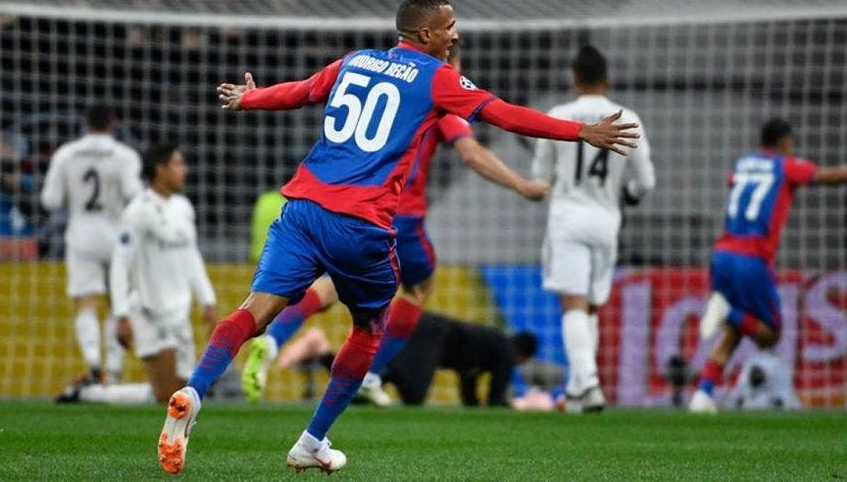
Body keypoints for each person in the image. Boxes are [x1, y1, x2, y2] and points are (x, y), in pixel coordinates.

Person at [158, 0, 639, 474]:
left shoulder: (356, 60)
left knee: (253, 310)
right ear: (425, 34)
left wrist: (250, 98)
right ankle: (311, 440)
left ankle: (194, 389)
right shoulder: (436, 79)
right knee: (369, 328)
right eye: (449, 26)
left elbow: (303, 91)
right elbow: (502, 112)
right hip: (361, 224)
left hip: (303, 208)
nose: (456, 34)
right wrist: (580, 132)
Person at [240, 41, 550, 406]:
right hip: (397, 215)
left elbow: (310, 94)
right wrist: (522, 185)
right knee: (420, 286)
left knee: (331, 287)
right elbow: (471, 153)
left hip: (345, 205)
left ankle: (273, 340)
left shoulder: (380, 77)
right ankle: (371, 373)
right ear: (448, 60)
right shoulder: (439, 92)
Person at [690, 117, 847, 413]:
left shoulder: (742, 165)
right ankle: (726, 309)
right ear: (784, 143)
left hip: (723, 253)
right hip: (752, 257)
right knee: (771, 332)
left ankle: (703, 395)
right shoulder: (785, 165)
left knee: (736, 331)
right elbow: (830, 176)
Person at [531, 44, 655, 413]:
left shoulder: (558, 115)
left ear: (574, 79)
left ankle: (588, 383)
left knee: (572, 302)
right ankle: (575, 392)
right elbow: (645, 181)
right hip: (606, 220)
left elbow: (540, 178)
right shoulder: (627, 116)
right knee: (592, 306)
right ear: (607, 78)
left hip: (568, 216)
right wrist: (628, 194)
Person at [57, 144, 217, 404]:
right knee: (168, 397)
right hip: (148, 311)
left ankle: (89, 392)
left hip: (180, 312)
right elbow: (120, 264)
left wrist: (207, 299)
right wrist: (121, 314)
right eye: (178, 164)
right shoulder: (137, 211)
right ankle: (88, 393)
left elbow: (191, 256)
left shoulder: (183, 207)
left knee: (180, 395)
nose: (183, 170)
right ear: (160, 169)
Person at [40, 104, 142, 385]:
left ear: (86, 124)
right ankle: (115, 368)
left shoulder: (65, 154)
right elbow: (135, 194)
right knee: (118, 302)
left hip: (81, 235)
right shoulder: (124, 155)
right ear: (113, 124)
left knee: (85, 302)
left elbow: (50, 200)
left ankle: (94, 363)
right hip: (116, 236)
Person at [274, 313, 539, 407]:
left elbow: (469, 385)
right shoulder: (504, 350)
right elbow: (494, 400)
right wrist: (513, 406)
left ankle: (321, 350)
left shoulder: (491, 346)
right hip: (431, 334)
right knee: (413, 394)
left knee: (368, 385)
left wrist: (472, 406)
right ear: (523, 356)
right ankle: (320, 348)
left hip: (428, 331)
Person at [724, 351, 801, 411]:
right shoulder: (743, 393)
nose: (756, 375)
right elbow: (731, 403)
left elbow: (787, 404)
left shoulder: (774, 395)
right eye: (754, 373)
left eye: (758, 373)